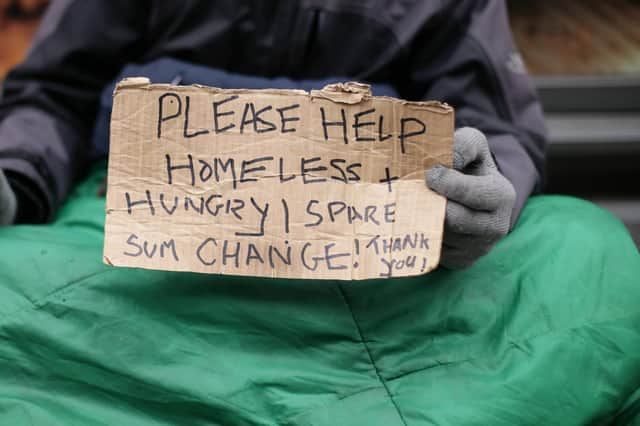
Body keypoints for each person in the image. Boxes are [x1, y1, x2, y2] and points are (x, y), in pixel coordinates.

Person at [0, 0, 546, 269]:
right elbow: (54, 93)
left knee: (587, 252)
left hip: (375, 270)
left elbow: (494, 126)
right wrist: (14, 175)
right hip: (123, 246)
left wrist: (482, 194)